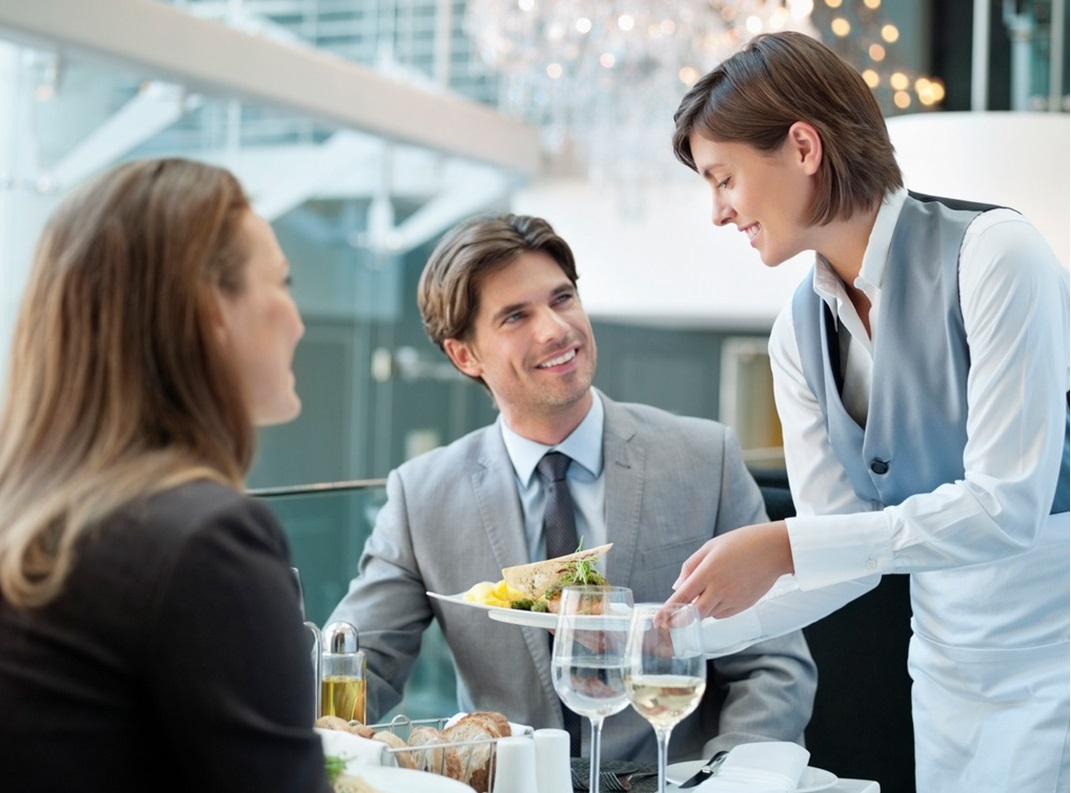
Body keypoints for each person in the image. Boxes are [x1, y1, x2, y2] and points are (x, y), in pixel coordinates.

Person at [666, 30, 1070, 793]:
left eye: (723, 178)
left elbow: (1007, 507)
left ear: (802, 146)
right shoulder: (798, 327)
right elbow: (836, 555)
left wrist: (785, 544)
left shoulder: (994, 255)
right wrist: (669, 629)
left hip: (1054, 658)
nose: (718, 212)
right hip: (945, 670)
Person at [328, 212, 817, 763]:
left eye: (562, 299)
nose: (555, 329)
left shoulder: (707, 460)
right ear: (464, 355)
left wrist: (726, 781)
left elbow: (772, 665)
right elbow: (358, 667)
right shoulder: (421, 497)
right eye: (516, 316)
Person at [0, 158, 331, 792]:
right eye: (283, 283)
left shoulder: (39, 519)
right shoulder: (205, 542)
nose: (298, 319)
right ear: (211, 308)